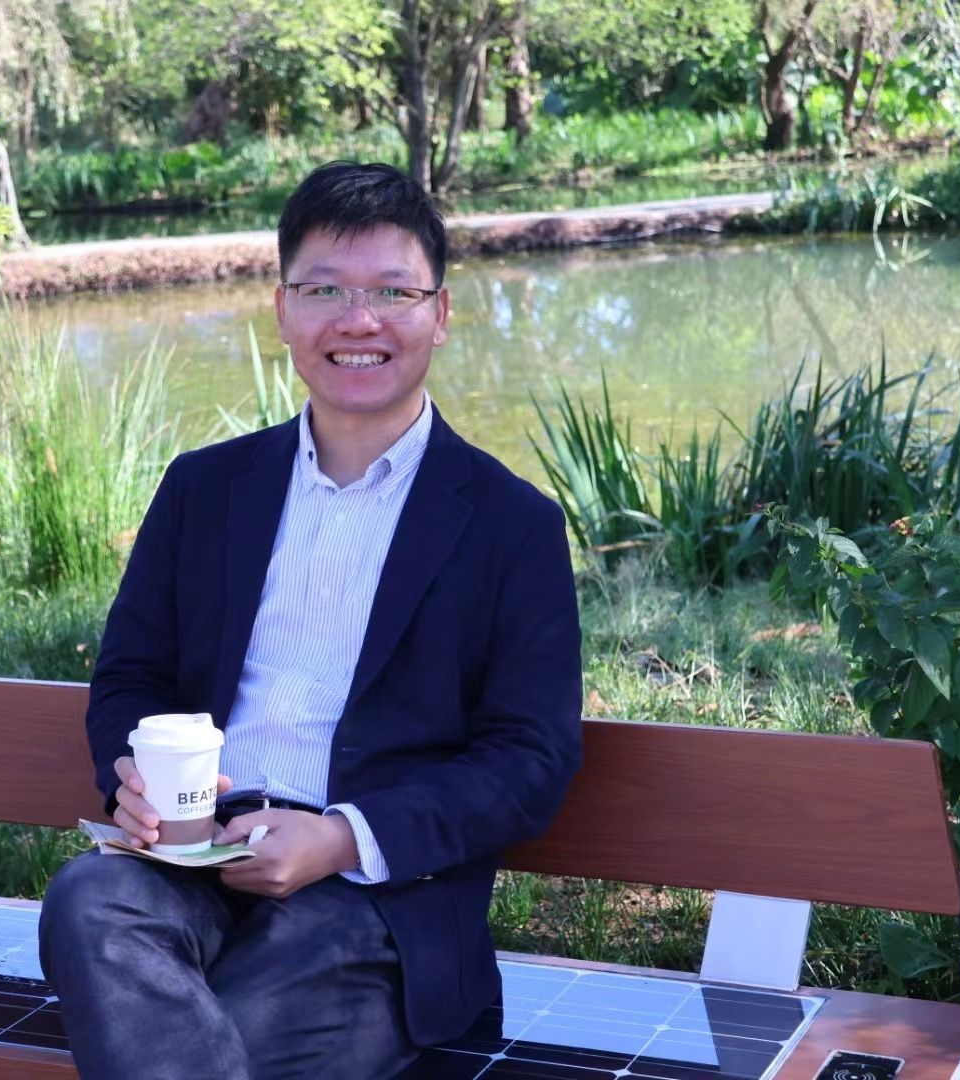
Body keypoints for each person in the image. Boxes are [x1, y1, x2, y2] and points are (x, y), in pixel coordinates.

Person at [38, 161, 584, 1080]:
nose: (358, 321)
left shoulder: (510, 524)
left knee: (229, 1027)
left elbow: (531, 758)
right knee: (89, 900)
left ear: (440, 314)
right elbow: (132, 678)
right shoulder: (205, 489)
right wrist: (132, 775)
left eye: (393, 292)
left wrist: (342, 838)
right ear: (282, 310)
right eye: (324, 290)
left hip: (375, 901)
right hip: (191, 855)